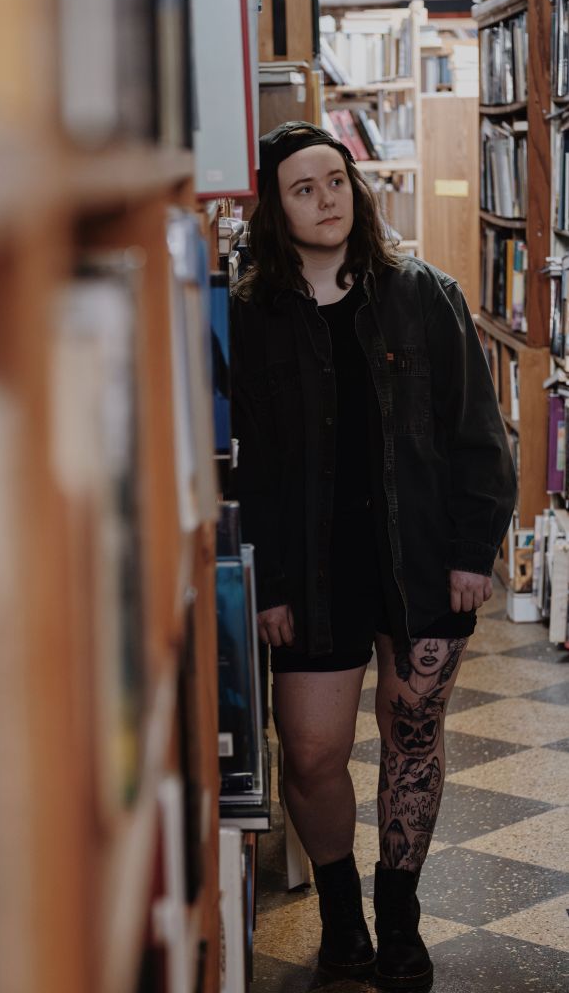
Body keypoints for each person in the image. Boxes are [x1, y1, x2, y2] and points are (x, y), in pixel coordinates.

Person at [229, 121, 516, 991]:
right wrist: (267, 581)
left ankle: (399, 922)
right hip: (309, 576)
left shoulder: (422, 293)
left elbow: (478, 437)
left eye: (336, 180)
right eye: (303, 188)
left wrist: (473, 554)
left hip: (423, 560)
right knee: (311, 755)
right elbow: (250, 466)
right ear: (274, 211)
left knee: (411, 739)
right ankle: (340, 914)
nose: (327, 200)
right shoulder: (247, 315)